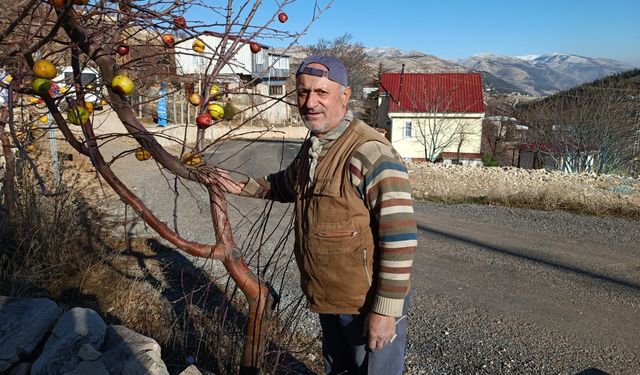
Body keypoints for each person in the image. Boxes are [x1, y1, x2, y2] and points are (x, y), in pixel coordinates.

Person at [215, 55, 417, 374]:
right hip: (330, 299)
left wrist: (385, 312)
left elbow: (400, 238)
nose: (310, 102)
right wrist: (240, 186)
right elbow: (287, 184)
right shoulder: (316, 145)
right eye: (303, 92)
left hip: (365, 305)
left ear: (345, 95)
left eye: (322, 92)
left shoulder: (370, 152)